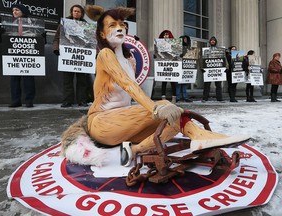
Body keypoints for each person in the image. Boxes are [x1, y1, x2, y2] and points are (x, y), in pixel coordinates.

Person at [60, 5, 249, 167]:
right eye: (112, 25)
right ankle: (200, 135)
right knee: (167, 107)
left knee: (173, 119)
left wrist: (160, 108)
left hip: (123, 121)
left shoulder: (129, 58)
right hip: (101, 122)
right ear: (102, 33)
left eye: (121, 24)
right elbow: (127, 84)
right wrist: (156, 109)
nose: (119, 28)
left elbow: (134, 88)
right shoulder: (105, 55)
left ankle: (135, 150)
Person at [53, 4, 89, 108]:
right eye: (74, 11)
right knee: (67, 80)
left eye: (78, 11)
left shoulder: (86, 25)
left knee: (82, 81)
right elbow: (57, 38)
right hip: (67, 55)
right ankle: (67, 101)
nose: (76, 13)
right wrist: (56, 49)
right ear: (71, 12)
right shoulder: (64, 24)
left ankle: (82, 100)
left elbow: (91, 41)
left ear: (81, 14)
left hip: (81, 56)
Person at [9, 4, 35, 108]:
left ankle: (29, 100)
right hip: (14, 53)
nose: (14, 12)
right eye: (13, 10)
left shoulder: (32, 23)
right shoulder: (10, 23)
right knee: (14, 78)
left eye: (16, 10)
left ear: (23, 11)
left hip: (28, 53)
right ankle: (15, 100)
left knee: (28, 78)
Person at [202, 36, 224, 102]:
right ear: (210, 42)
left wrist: (225, 68)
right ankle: (205, 98)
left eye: (214, 40)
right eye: (211, 40)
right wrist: (202, 68)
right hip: (208, 70)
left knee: (218, 85)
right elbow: (202, 59)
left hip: (218, 69)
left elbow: (223, 59)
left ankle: (219, 98)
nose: (212, 41)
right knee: (206, 85)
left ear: (215, 42)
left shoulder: (220, 50)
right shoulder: (206, 50)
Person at [158, 30, 177, 103]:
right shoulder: (159, 44)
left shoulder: (172, 44)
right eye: (165, 35)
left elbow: (175, 53)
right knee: (164, 82)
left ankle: (174, 98)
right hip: (164, 64)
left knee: (173, 82)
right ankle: (163, 97)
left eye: (167, 35)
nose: (166, 36)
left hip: (171, 64)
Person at [176, 35, 192, 103]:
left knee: (184, 83)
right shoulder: (177, 48)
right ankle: (178, 97)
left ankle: (185, 97)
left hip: (186, 67)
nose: (185, 40)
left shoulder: (189, 48)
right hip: (178, 67)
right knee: (178, 84)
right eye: (184, 39)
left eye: (186, 39)